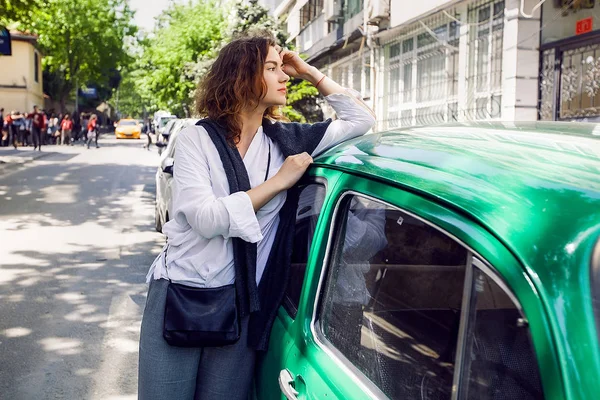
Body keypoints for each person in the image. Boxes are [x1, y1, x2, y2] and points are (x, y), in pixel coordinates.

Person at [138, 34, 376, 400]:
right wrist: (279, 182)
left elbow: (361, 119)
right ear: (241, 74)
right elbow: (207, 218)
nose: (284, 77)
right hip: (181, 297)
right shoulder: (195, 140)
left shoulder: (285, 142)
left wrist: (309, 71)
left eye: (283, 69)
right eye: (271, 68)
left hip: (241, 305)